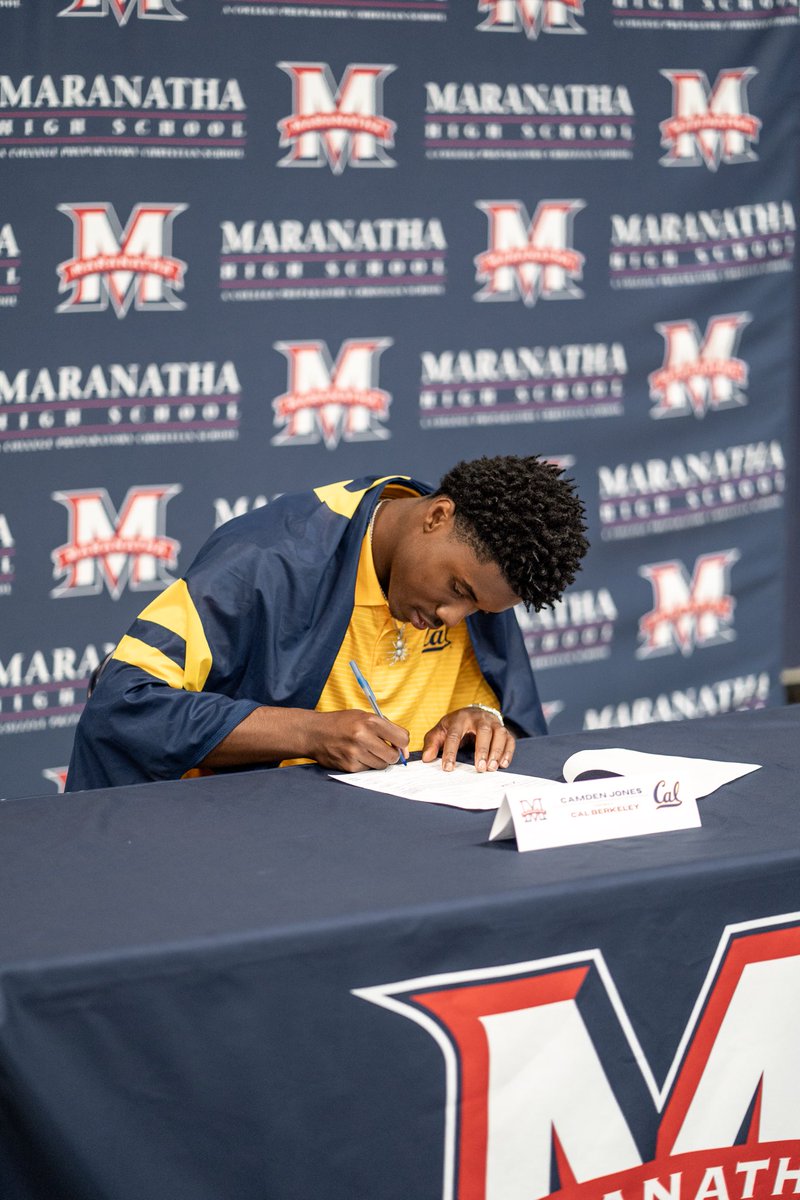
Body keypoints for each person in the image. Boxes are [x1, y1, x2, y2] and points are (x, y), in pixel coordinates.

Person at [66, 455, 588, 791]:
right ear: (436, 517)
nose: (454, 619)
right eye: (458, 592)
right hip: (255, 855)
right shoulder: (267, 558)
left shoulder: (485, 570)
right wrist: (309, 732)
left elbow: (507, 713)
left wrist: (479, 722)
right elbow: (123, 702)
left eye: (479, 612)